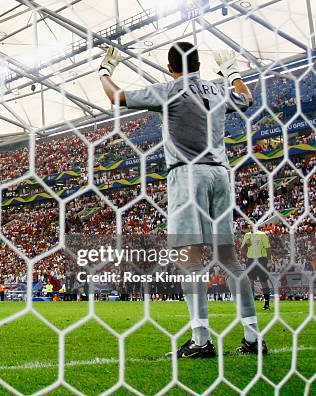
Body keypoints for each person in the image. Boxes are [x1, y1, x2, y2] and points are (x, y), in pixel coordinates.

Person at [99, 43, 267, 357]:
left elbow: (115, 97)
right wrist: (231, 70)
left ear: (170, 67)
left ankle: (201, 341)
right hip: (220, 173)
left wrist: (104, 71)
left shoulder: (168, 90)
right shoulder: (216, 89)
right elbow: (247, 98)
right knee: (229, 259)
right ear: (200, 64)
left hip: (187, 175)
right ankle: (253, 338)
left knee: (190, 259)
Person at [241, 228, 271, 310]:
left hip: (261, 260)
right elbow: (242, 249)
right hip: (250, 260)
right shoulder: (247, 235)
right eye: (248, 226)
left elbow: (268, 248)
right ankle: (251, 304)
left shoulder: (262, 235)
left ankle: (266, 304)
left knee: (263, 281)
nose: (249, 228)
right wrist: (246, 244)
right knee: (250, 282)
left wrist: (269, 260)